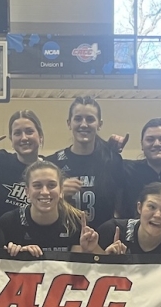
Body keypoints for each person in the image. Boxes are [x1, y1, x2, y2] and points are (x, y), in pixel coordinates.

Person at [52, 96, 128, 228]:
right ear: (69, 123)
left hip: (102, 240)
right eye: (78, 118)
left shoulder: (112, 161)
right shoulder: (53, 163)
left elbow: (120, 205)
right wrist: (58, 192)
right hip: (65, 240)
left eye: (90, 119)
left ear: (100, 124)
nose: (83, 124)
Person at [0, 161, 86, 256]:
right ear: (27, 192)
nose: (45, 192)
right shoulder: (9, 222)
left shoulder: (76, 221)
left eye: (51, 185)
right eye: (37, 185)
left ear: (61, 190)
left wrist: (89, 250)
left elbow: (76, 267)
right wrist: (21, 256)